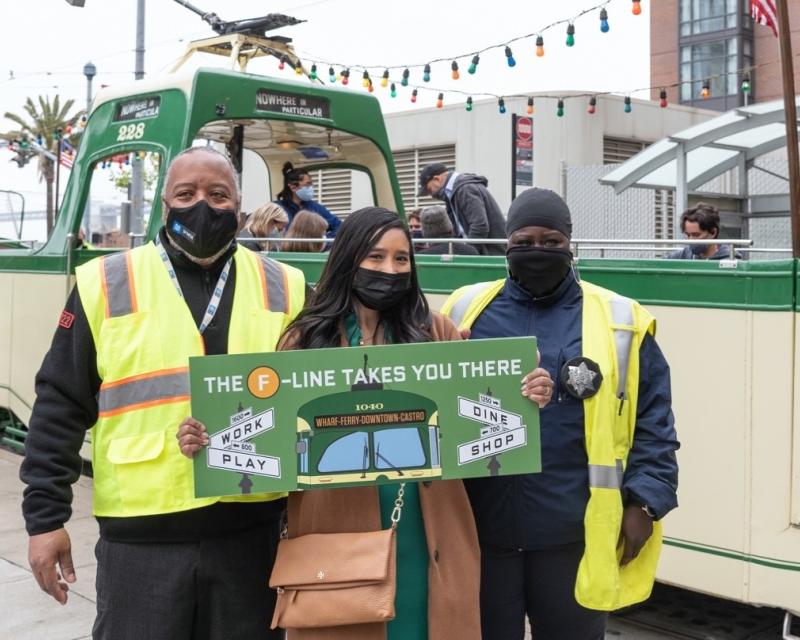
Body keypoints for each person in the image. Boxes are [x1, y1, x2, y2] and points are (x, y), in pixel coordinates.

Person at [178, 207, 554, 640]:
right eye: (375, 258)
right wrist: (207, 440)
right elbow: (269, 441)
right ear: (347, 259)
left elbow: (485, 418)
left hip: (430, 536)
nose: (389, 270)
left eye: (401, 259)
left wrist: (527, 394)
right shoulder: (304, 340)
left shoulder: (438, 333)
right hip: (336, 544)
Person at [20, 146, 306, 640]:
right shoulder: (106, 282)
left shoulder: (287, 286)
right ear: (165, 206)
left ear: (238, 209)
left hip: (251, 541)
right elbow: (59, 404)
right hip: (140, 544)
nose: (203, 205)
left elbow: (314, 399)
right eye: (186, 193)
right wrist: (45, 519)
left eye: (218, 195)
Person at [441, 187, 679, 640]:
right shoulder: (464, 309)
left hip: (573, 532)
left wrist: (647, 501)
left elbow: (655, 421)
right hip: (481, 531)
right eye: (524, 240)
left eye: (551, 242)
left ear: (570, 245)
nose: (538, 251)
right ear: (506, 243)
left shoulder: (620, 319)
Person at [417, 163, 506, 255]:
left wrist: (467, 254)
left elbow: (480, 226)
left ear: (437, 179)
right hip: (488, 252)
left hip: (490, 254)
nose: (431, 195)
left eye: (429, 190)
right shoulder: (457, 190)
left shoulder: (464, 189)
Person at [275, 161, 341, 237]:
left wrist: (323, 242)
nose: (311, 188)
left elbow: (339, 227)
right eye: (307, 184)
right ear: (293, 186)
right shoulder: (276, 208)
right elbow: (264, 229)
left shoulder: (316, 208)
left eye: (311, 184)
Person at [666, 202, 739, 260]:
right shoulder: (684, 255)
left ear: (713, 232)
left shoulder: (730, 260)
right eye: (688, 235)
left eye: (696, 235)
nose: (690, 240)